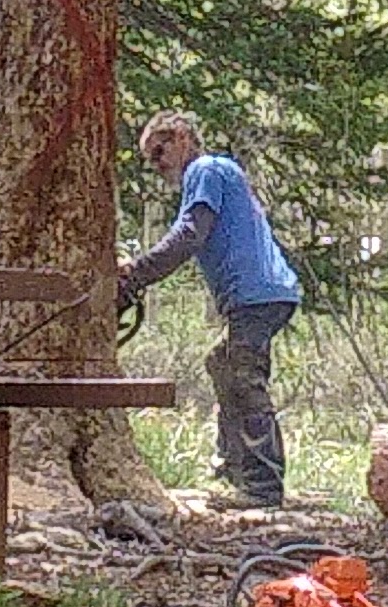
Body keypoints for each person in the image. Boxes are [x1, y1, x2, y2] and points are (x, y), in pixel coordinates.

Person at [117, 110, 301, 510]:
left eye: (159, 151)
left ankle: (262, 488)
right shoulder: (214, 173)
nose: (158, 164)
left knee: (243, 376)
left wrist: (136, 274)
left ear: (182, 137)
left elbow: (188, 235)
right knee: (222, 362)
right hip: (260, 294)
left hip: (258, 294)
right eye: (151, 158)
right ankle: (233, 469)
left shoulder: (206, 169)